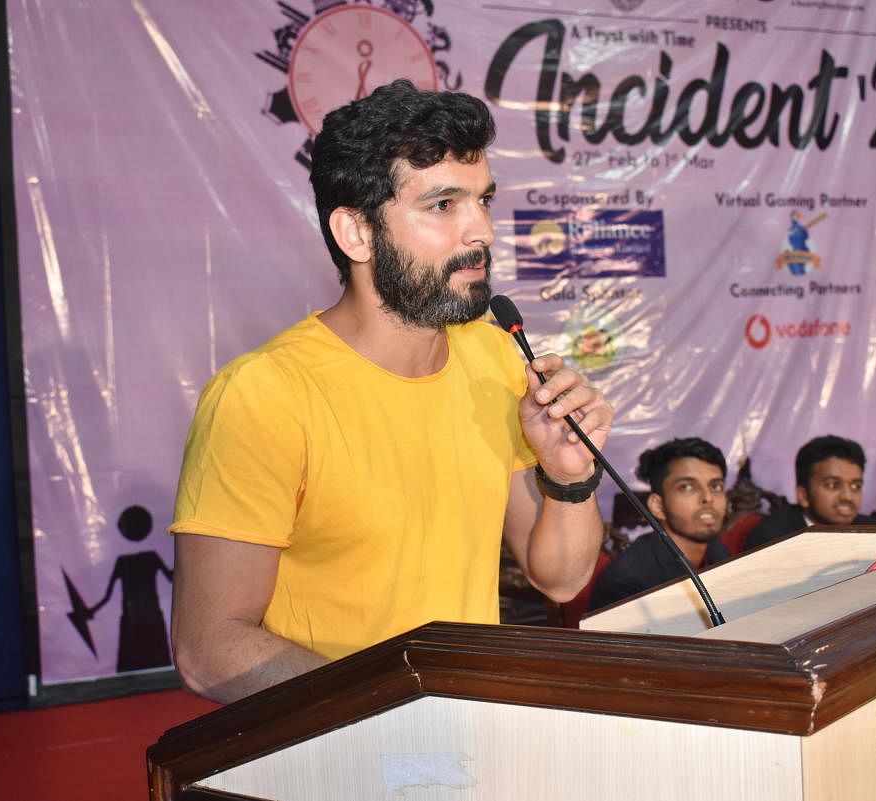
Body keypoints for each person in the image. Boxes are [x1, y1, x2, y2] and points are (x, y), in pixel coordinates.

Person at [168, 80, 613, 704]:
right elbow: (208, 646)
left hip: (467, 733)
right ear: (356, 233)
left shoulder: (494, 357)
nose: (481, 231)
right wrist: (399, 718)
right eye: (442, 206)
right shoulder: (263, 394)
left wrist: (570, 478)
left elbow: (561, 582)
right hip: (332, 750)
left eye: (483, 200)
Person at [588, 438, 730, 610]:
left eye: (716, 486)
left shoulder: (718, 551)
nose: (708, 498)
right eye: (686, 487)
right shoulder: (627, 585)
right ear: (658, 506)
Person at [744, 435, 876, 550]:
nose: (848, 496)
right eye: (833, 485)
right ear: (803, 495)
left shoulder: (874, 532)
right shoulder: (772, 539)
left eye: (855, 486)